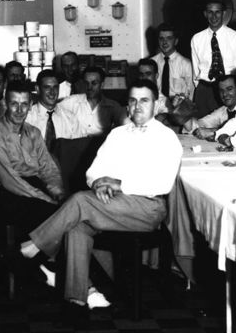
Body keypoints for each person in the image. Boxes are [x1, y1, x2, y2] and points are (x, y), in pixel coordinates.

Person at [21, 80, 182, 313]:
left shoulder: (166, 138)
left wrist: (118, 183)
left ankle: (37, 245)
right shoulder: (117, 134)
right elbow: (94, 170)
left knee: (79, 200)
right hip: (113, 205)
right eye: (133, 100)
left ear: (156, 106)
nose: (137, 106)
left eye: (144, 101)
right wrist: (98, 183)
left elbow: (163, 183)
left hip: (148, 208)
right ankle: (77, 298)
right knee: (77, 226)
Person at [0, 80, 66, 232]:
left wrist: (58, 193)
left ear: (30, 105)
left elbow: (48, 168)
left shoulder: (34, 133)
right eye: (14, 104)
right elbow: (10, 180)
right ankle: (39, 252)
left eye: (24, 104)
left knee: (66, 211)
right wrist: (46, 199)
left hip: (33, 187)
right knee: (53, 215)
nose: (19, 110)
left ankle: (40, 251)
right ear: (5, 103)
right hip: (5, 193)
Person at [189, 0, 236, 115]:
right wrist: (199, 88)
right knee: (201, 125)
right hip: (204, 89)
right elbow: (195, 70)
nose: (214, 16)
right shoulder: (197, 38)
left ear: (224, 13)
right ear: (205, 14)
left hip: (228, 90)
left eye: (217, 12)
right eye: (210, 12)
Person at [53, 65, 125, 137]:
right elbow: (53, 109)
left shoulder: (113, 107)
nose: (89, 87)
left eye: (94, 83)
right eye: (86, 83)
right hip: (75, 146)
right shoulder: (72, 102)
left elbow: (126, 127)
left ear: (102, 84)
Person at [25, 69, 78, 150]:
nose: (52, 92)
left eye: (55, 87)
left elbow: (77, 151)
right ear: (38, 89)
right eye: (47, 87)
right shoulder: (27, 118)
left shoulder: (70, 118)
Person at [182, 72, 236, 140]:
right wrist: (183, 111)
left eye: (229, 89)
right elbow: (200, 125)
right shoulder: (223, 110)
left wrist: (214, 131)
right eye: (221, 91)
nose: (225, 94)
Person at [150, 23, 193, 102]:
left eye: (169, 38)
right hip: (157, 107)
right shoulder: (152, 62)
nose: (164, 42)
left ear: (176, 41)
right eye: (161, 38)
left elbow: (191, 92)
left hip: (178, 109)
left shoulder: (185, 64)